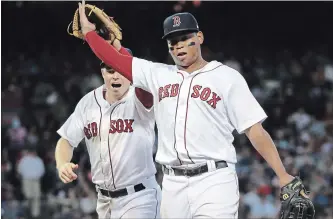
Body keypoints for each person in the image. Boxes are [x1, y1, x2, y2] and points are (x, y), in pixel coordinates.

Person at [77, 1, 295, 217]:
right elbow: (117, 61)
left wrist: (283, 175)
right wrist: (92, 35)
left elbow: (255, 130)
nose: (178, 45)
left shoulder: (226, 77)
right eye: (173, 41)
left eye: (184, 39)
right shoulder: (159, 74)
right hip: (172, 184)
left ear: (199, 38)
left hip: (214, 180)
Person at [55, 46, 161, 219]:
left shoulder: (141, 97)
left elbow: (147, 81)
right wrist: (62, 164)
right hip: (104, 201)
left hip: (140, 198)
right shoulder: (88, 102)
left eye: (121, 69)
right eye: (110, 70)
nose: (116, 75)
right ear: (102, 72)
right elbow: (66, 140)